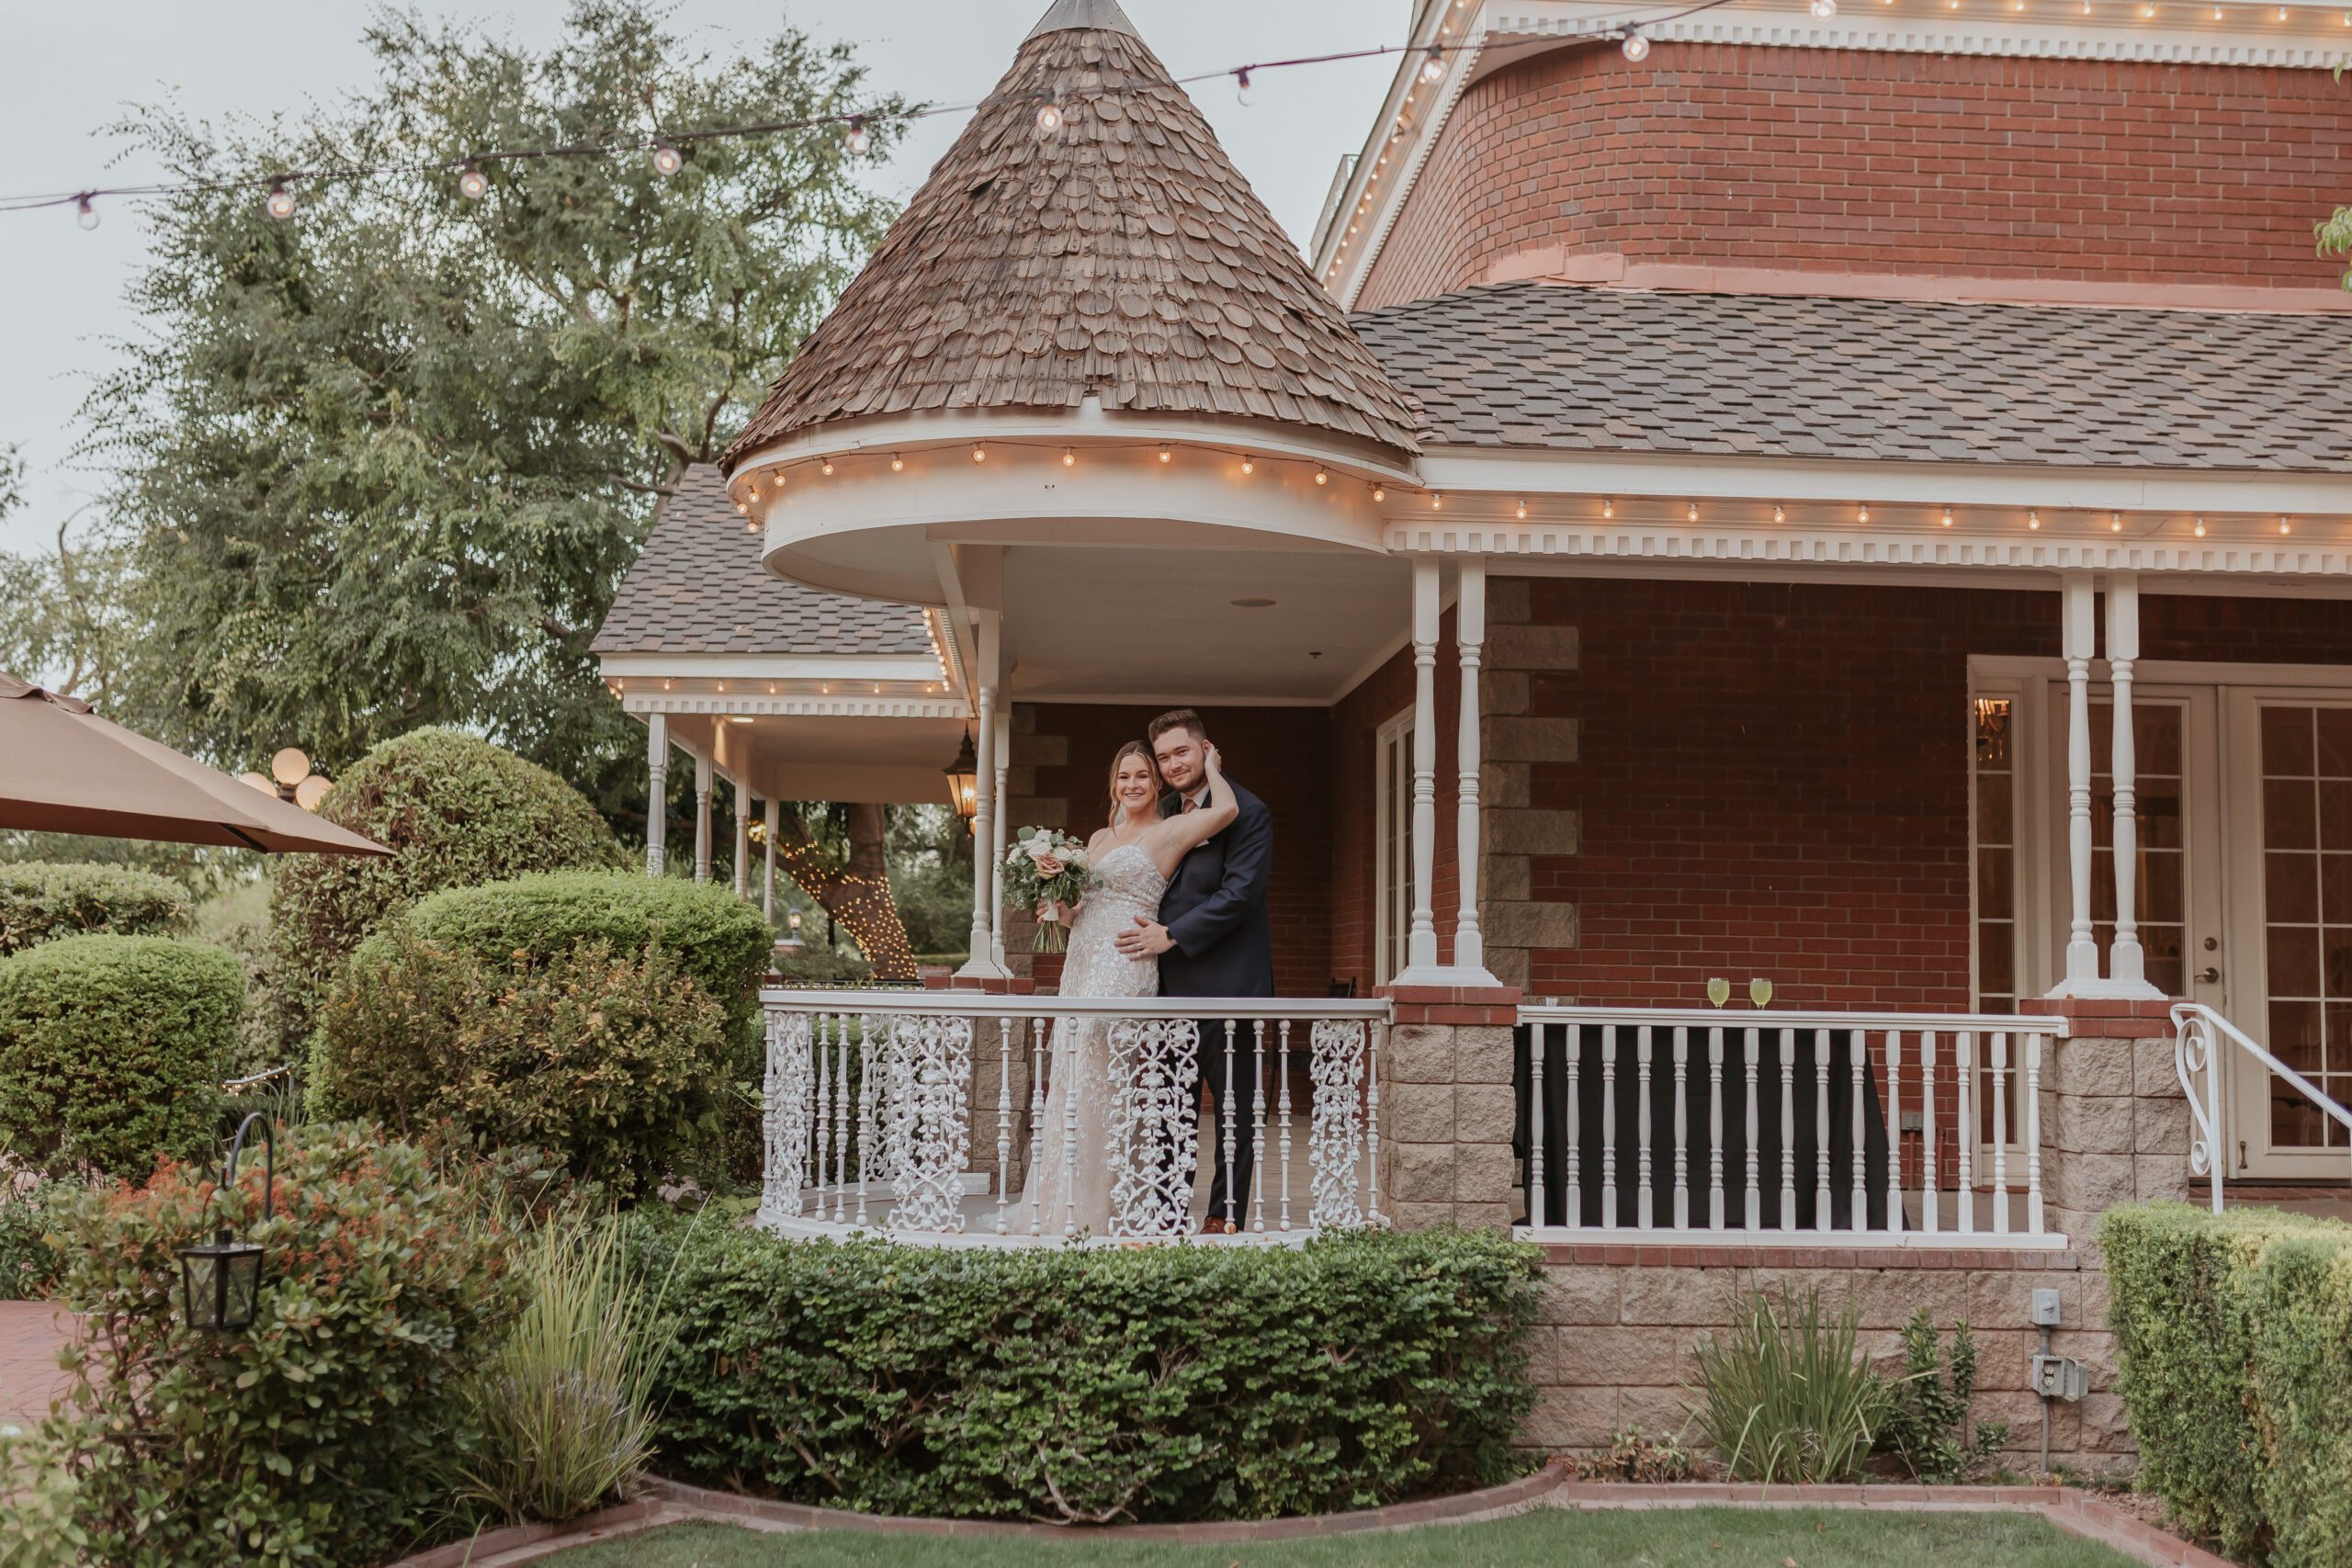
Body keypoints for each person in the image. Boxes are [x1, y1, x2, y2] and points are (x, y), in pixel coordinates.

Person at [1020, 736, 1237, 1236]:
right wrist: (1056, 908)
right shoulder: (1097, 840)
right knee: (1073, 1080)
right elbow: (1079, 913)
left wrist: (1211, 765)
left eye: (1142, 775)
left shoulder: (1170, 831)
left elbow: (1225, 810)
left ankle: (1108, 1207)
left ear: (1155, 782)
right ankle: (1065, 1204)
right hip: (1081, 962)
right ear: (1113, 785)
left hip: (1124, 961)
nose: (1133, 784)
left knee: (1110, 1081)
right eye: (1124, 776)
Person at [1113, 709, 1275, 1234]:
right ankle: (1164, 1213)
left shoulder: (1248, 812)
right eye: (1163, 757)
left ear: (1206, 750)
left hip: (1231, 992)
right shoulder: (1159, 813)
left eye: (1181, 752)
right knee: (1167, 1112)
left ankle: (1221, 1216)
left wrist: (1174, 934)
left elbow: (1239, 896)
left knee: (1234, 1115)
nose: (1172, 764)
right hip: (1167, 991)